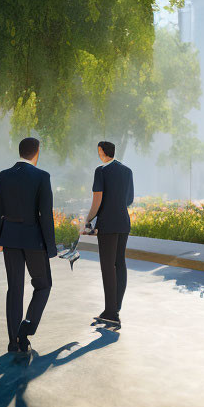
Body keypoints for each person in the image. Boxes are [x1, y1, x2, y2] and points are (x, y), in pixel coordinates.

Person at [0, 137, 56, 355]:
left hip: (9, 238)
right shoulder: (42, 176)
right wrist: (51, 247)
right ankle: (25, 330)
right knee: (43, 285)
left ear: (20, 152)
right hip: (34, 240)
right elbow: (46, 215)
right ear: (36, 152)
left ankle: (13, 342)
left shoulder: (3, 175)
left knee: (14, 288)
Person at [83, 140, 134, 329]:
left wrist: (88, 219)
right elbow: (129, 199)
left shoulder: (101, 171)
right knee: (119, 263)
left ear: (102, 152)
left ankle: (111, 314)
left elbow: (98, 199)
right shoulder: (127, 171)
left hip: (107, 225)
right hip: (123, 222)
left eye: (99, 151)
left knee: (107, 267)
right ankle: (114, 309)